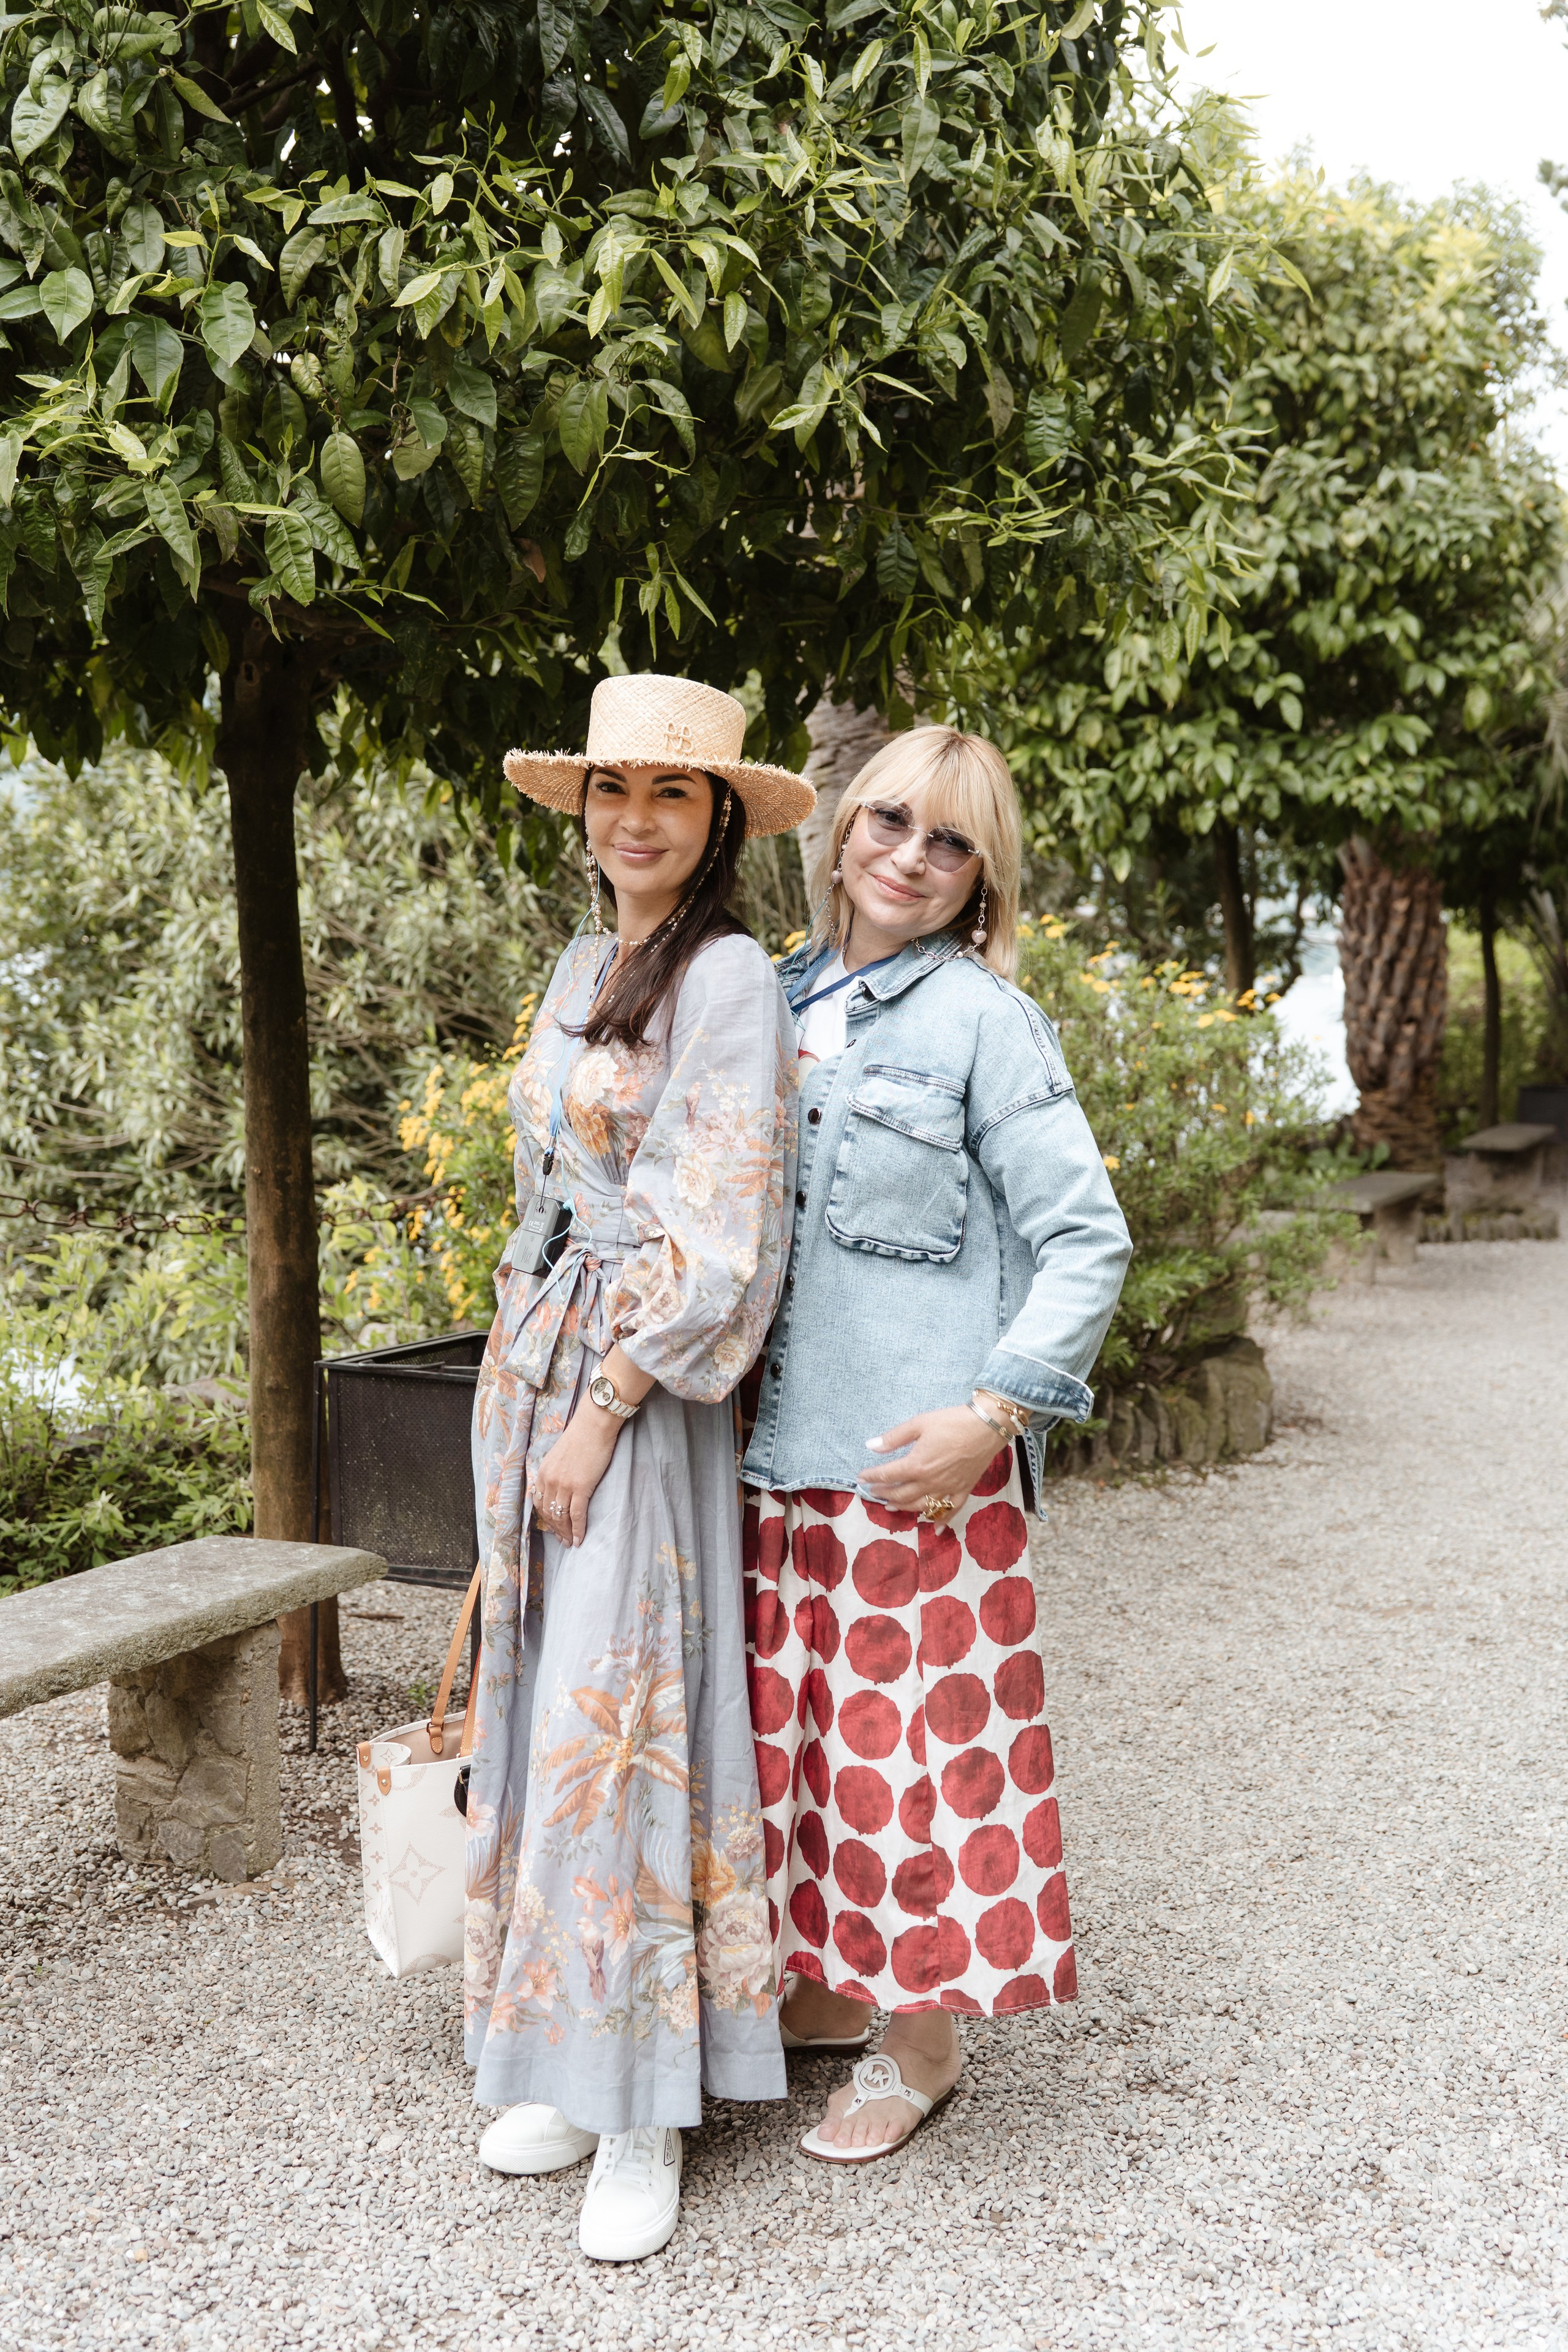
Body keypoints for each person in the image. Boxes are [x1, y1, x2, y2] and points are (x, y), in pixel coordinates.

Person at [741, 725, 1132, 2163]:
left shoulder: (983, 1023)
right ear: (841, 828)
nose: (909, 856)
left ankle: (921, 2046)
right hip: (762, 1461)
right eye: (890, 821)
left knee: (903, 1760)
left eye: (950, 841)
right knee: (793, 1746)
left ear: (982, 878)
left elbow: (1086, 1241)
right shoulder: (769, 997)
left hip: (912, 1475)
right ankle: (829, 1987)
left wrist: (992, 1416)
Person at [466, 674, 813, 2258]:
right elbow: (547, 1182)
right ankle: (560, 2046)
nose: (635, 818)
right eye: (614, 789)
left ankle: (644, 2107)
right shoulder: (578, 962)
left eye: (672, 793)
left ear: (720, 819)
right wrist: (532, 1377)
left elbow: (726, 1224)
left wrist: (608, 1399)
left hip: (633, 1383)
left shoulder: (729, 976)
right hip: (535, 1358)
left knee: (626, 1714)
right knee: (546, 1703)